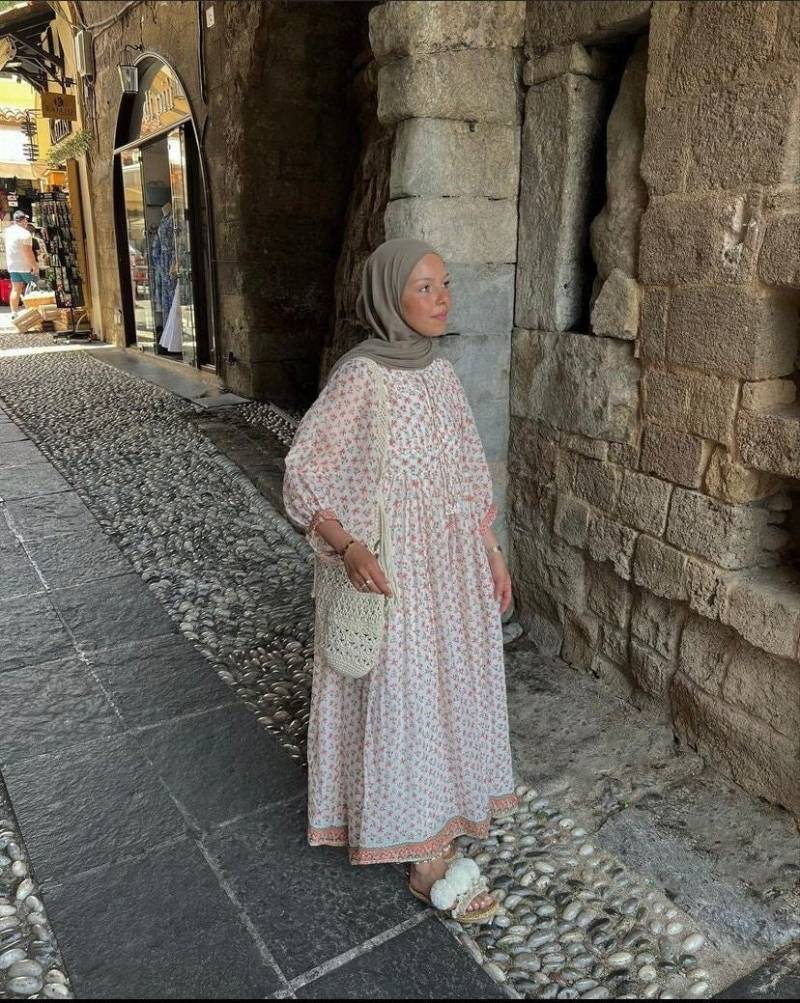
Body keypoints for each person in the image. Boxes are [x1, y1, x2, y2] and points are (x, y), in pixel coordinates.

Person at [282, 237, 519, 923]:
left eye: (445, 284)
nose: (441, 299)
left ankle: (442, 815)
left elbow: (466, 471)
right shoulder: (362, 377)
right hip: (398, 568)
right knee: (405, 695)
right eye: (424, 287)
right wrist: (347, 544)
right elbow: (304, 467)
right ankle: (425, 857)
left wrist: (491, 551)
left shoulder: (439, 372)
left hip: (453, 567)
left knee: (448, 691)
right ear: (390, 296)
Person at [4, 210, 38, 318]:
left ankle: (14, 313)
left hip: (12, 265)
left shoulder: (8, 231)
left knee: (16, 289)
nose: (27, 222)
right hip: (25, 266)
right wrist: (34, 266)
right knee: (34, 289)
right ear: (23, 221)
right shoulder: (25, 234)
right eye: (26, 220)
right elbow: (28, 251)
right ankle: (34, 313)